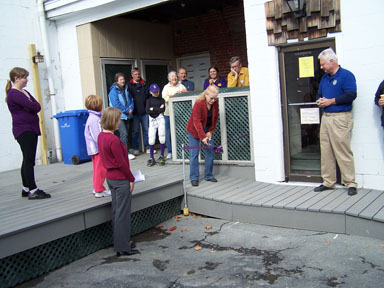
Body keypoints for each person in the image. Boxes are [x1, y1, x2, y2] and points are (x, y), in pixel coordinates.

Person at [314, 48, 358, 196]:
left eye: (323, 64)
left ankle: (350, 183)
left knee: (342, 150)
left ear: (332, 61)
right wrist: (320, 101)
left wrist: (330, 102)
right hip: (326, 118)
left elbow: (351, 95)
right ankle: (328, 181)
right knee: (326, 151)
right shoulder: (324, 78)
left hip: (340, 118)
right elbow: (319, 94)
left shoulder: (346, 75)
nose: (321, 67)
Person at [97, 107, 140, 256]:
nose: (119, 123)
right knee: (122, 214)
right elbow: (121, 163)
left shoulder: (101, 136)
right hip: (120, 179)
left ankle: (119, 243)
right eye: (118, 120)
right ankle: (122, 247)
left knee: (116, 212)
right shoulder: (113, 139)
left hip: (110, 178)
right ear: (113, 121)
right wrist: (132, 178)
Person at [5, 67, 50, 200]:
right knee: (29, 159)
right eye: (24, 77)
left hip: (30, 128)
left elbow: (37, 106)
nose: (26, 80)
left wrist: (30, 106)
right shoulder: (14, 93)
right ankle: (33, 189)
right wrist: (30, 106)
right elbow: (32, 107)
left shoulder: (23, 92)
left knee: (27, 159)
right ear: (16, 78)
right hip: (24, 130)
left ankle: (25, 188)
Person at [186, 85, 219, 187]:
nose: (213, 100)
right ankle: (194, 177)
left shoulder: (215, 103)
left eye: (215, 98)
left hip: (207, 129)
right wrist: (202, 137)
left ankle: (208, 175)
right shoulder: (198, 103)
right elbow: (196, 122)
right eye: (211, 98)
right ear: (206, 94)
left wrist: (210, 132)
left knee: (210, 151)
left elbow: (215, 118)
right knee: (194, 154)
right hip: (195, 130)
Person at [84, 95, 110, 198]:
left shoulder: (93, 117)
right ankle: (99, 189)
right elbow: (97, 136)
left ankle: (97, 187)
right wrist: (104, 146)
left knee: (97, 169)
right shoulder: (95, 119)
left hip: (94, 148)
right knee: (101, 169)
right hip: (97, 149)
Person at [108, 72, 135, 160]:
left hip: (127, 115)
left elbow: (131, 99)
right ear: (117, 81)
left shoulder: (126, 89)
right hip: (119, 116)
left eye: (123, 79)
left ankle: (124, 151)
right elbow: (116, 104)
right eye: (120, 80)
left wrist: (131, 108)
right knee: (124, 133)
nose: (122, 81)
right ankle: (125, 153)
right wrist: (127, 110)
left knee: (126, 134)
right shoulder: (113, 91)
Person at [162, 71, 187, 160]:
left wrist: (174, 96)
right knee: (168, 134)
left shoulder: (181, 86)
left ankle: (181, 151)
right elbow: (165, 98)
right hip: (168, 114)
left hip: (180, 114)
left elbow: (186, 95)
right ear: (169, 79)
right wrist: (176, 95)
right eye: (172, 77)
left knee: (180, 132)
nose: (174, 78)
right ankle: (170, 152)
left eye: (175, 76)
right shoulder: (166, 87)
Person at [128, 67, 151, 156]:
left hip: (145, 112)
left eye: (138, 74)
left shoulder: (145, 84)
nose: (137, 76)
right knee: (135, 132)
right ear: (132, 75)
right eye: (135, 74)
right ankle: (136, 148)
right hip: (134, 113)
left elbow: (149, 97)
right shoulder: (129, 85)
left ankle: (148, 147)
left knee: (147, 130)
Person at [146, 84, 166, 167]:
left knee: (162, 136)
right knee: (151, 138)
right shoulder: (149, 100)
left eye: (157, 91)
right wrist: (158, 109)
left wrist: (153, 109)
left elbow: (163, 109)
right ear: (150, 92)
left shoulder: (162, 100)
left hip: (160, 119)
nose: (156, 93)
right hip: (152, 120)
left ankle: (162, 155)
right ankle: (151, 157)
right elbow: (147, 111)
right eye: (154, 92)